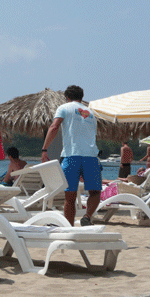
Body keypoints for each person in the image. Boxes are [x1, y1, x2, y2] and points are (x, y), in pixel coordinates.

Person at [41, 85, 101, 226]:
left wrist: (45, 149)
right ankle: (87, 216)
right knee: (95, 192)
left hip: (71, 156)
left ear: (67, 97)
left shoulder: (64, 108)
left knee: (70, 197)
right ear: (81, 97)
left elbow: (54, 127)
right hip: (91, 156)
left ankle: (69, 227)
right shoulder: (91, 114)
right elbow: (92, 136)